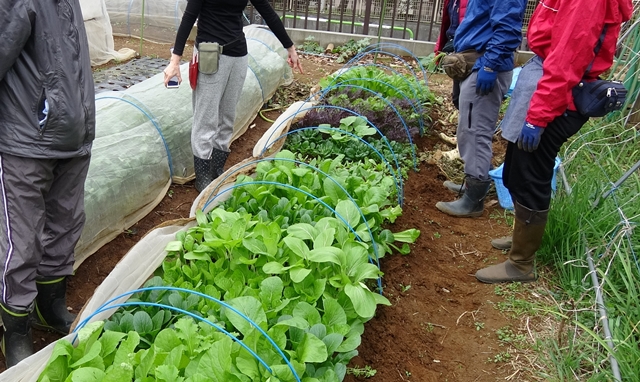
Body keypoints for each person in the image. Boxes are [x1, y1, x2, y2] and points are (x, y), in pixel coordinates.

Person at [475, 0, 633, 283]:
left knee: (532, 172)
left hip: (558, 95)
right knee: (516, 168)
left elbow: (567, 60)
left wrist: (538, 117)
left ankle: (521, 263)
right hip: (547, 82)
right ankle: (519, 239)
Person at [0, 0, 96, 367]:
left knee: (66, 225)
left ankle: (51, 305)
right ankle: (17, 330)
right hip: (26, 142)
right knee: (21, 242)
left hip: (74, 139)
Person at [164, 0, 304, 192]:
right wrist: (175, 61)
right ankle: (202, 177)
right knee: (206, 118)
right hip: (210, 54)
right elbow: (189, 17)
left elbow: (268, 13)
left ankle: (216, 168)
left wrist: (290, 47)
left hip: (238, 54)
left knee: (227, 115)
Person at [435, 0, 528, 218]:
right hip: (475, 63)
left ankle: (474, 201)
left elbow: (507, 28)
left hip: (484, 66)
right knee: (469, 129)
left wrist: (490, 65)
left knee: (475, 132)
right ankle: (472, 185)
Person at [434, 0, 468, 110]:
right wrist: (439, 48)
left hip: (468, 51)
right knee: (457, 98)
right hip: (456, 50)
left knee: (465, 98)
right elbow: (447, 25)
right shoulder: (451, 2)